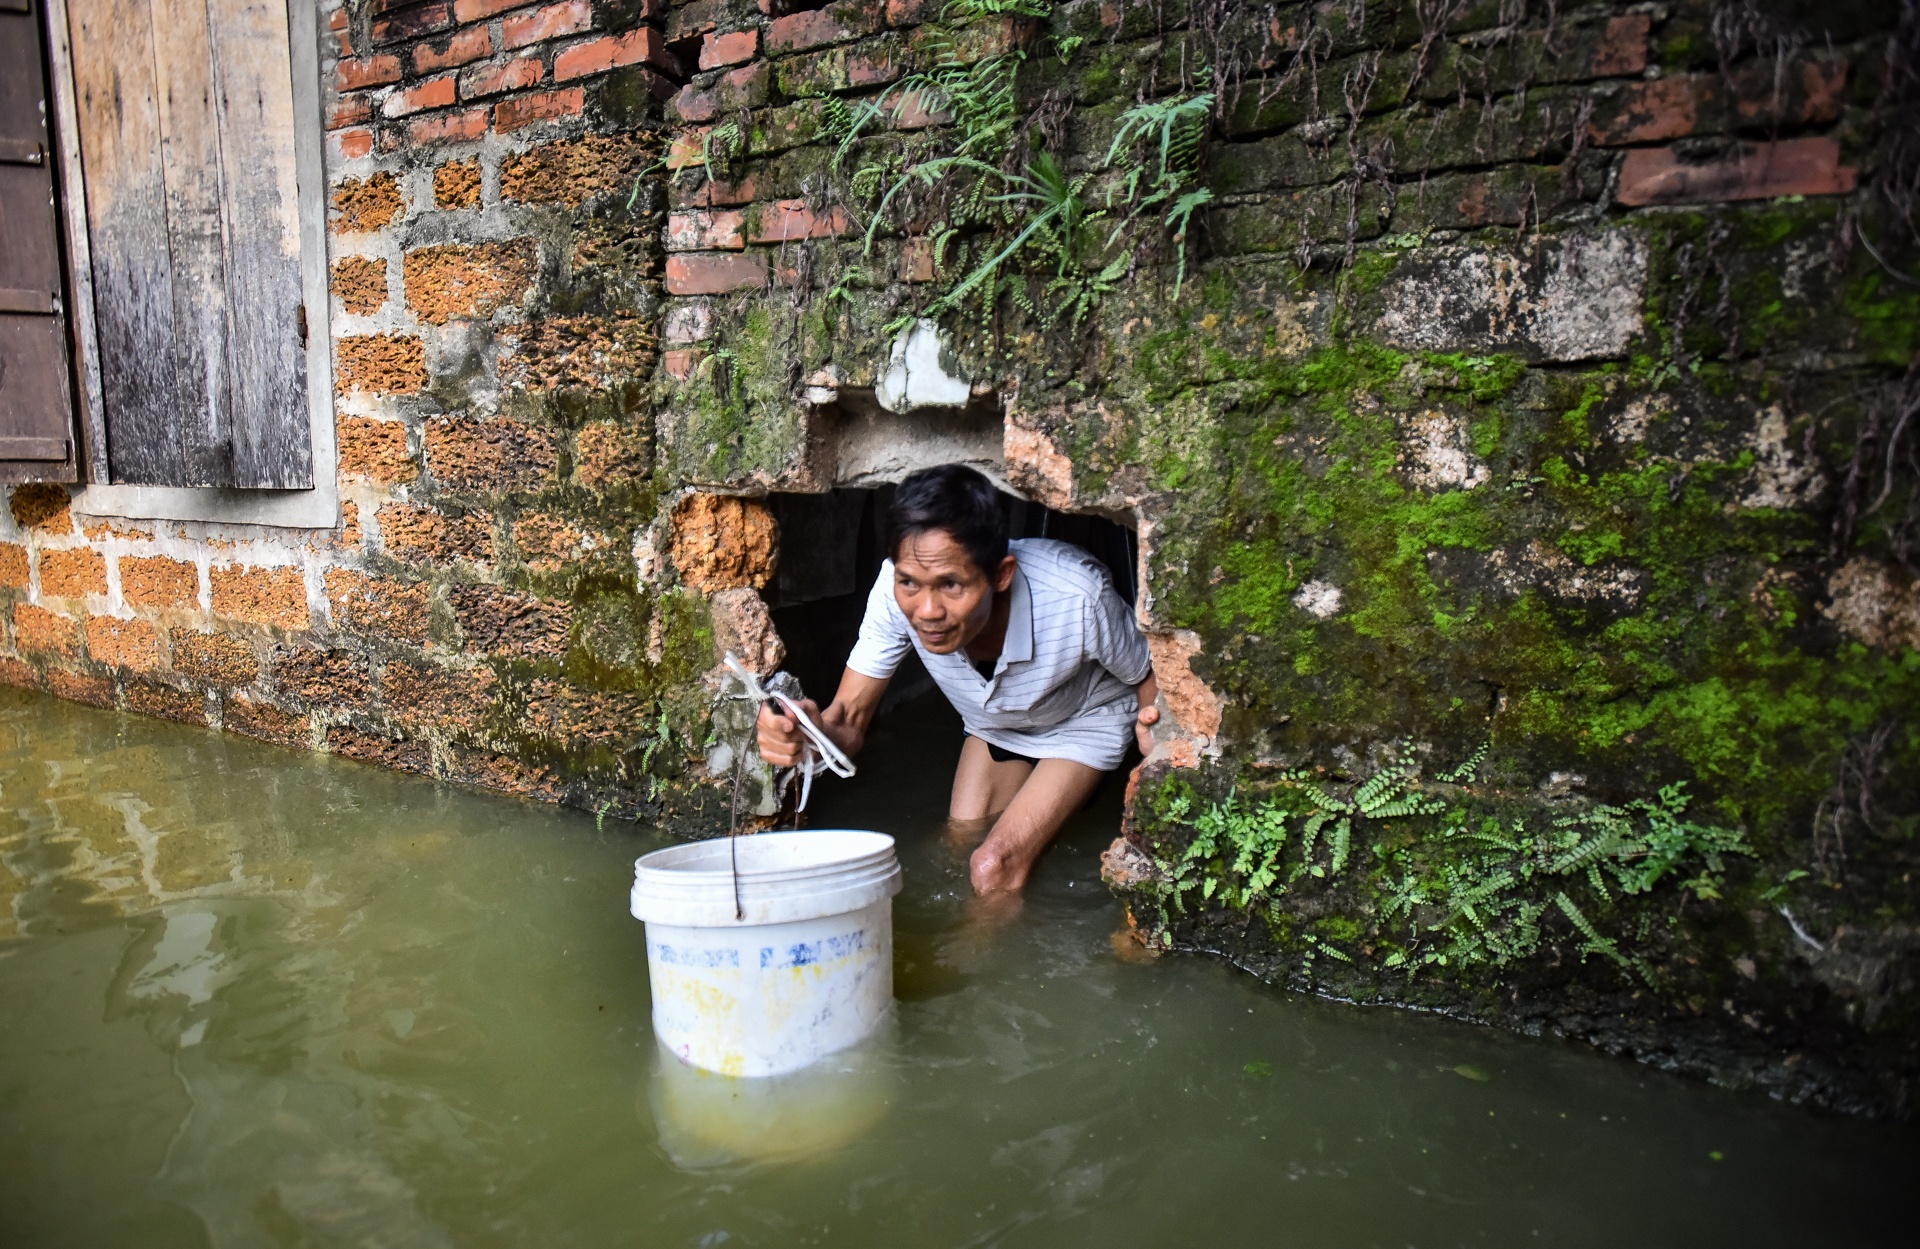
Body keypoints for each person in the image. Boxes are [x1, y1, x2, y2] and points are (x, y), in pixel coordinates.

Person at [756, 464, 1160, 894]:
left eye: (951, 585)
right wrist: (807, 737)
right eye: (909, 581)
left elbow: (1144, 673)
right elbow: (849, 722)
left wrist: (1154, 754)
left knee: (993, 866)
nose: (927, 611)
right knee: (956, 848)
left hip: (1083, 719)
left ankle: (990, 961)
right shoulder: (894, 597)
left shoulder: (1077, 597)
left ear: (1001, 575)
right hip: (996, 723)